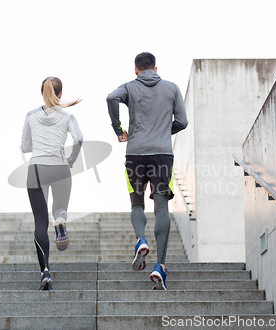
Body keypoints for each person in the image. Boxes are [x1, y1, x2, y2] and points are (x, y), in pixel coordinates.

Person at [106, 52, 188, 290]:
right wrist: (163, 131)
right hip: (162, 154)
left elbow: (111, 98)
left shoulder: (129, 87)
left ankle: (141, 240)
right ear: (155, 67)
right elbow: (182, 122)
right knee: (161, 206)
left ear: (136, 69)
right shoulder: (171, 88)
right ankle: (159, 265)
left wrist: (118, 129)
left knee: (137, 204)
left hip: (135, 153)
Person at [21, 76, 83, 290]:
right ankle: (61, 220)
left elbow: (25, 146)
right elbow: (79, 139)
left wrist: (39, 143)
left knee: (40, 222)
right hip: (60, 167)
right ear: (60, 94)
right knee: (59, 210)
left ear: (42, 93)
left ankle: (45, 270)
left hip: (36, 168)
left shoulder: (31, 116)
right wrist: (71, 160)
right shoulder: (68, 116)